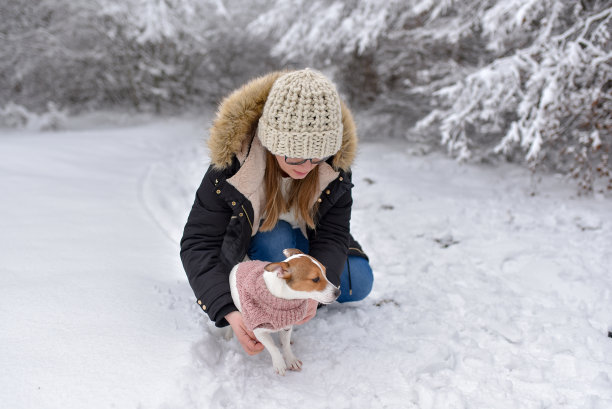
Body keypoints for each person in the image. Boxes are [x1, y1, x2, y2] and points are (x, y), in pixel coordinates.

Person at [180, 69, 373, 355]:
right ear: (272, 143)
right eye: (294, 155)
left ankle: (294, 287)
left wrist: (313, 298)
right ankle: (259, 280)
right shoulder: (232, 166)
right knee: (276, 239)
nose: (306, 166)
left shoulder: (334, 167)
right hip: (258, 240)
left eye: (316, 156)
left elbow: (333, 233)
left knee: (358, 281)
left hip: (307, 240)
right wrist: (228, 309)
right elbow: (198, 242)